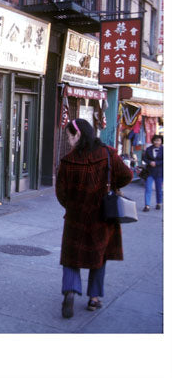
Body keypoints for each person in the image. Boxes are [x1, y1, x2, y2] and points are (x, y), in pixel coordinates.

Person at [56, 119, 132, 319]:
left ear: (78, 135)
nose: (68, 140)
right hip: (102, 216)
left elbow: (60, 193)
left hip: (75, 217)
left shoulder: (67, 161)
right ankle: (94, 298)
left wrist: (72, 206)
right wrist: (112, 187)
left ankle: (70, 291)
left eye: (69, 136)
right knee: (100, 256)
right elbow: (127, 175)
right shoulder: (107, 154)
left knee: (71, 258)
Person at [142, 134, 163, 212]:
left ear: (161, 141)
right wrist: (150, 162)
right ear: (153, 141)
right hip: (149, 172)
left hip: (159, 172)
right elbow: (144, 158)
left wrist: (156, 163)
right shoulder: (148, 149)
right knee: (148, 188)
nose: (157, 142)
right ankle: (147, 205)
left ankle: (158, 203)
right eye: (155, 140)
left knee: (159, 189)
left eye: (158, 140)